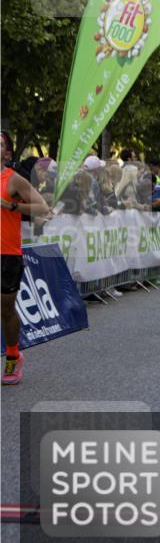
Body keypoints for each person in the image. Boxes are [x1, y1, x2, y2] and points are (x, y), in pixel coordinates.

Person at [1, 132, 50, 384]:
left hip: (7, 254)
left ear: (7, 153)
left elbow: (43, 207)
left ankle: (12, 357)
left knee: (6, 308)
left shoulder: (14, 180)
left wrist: (12, 206)